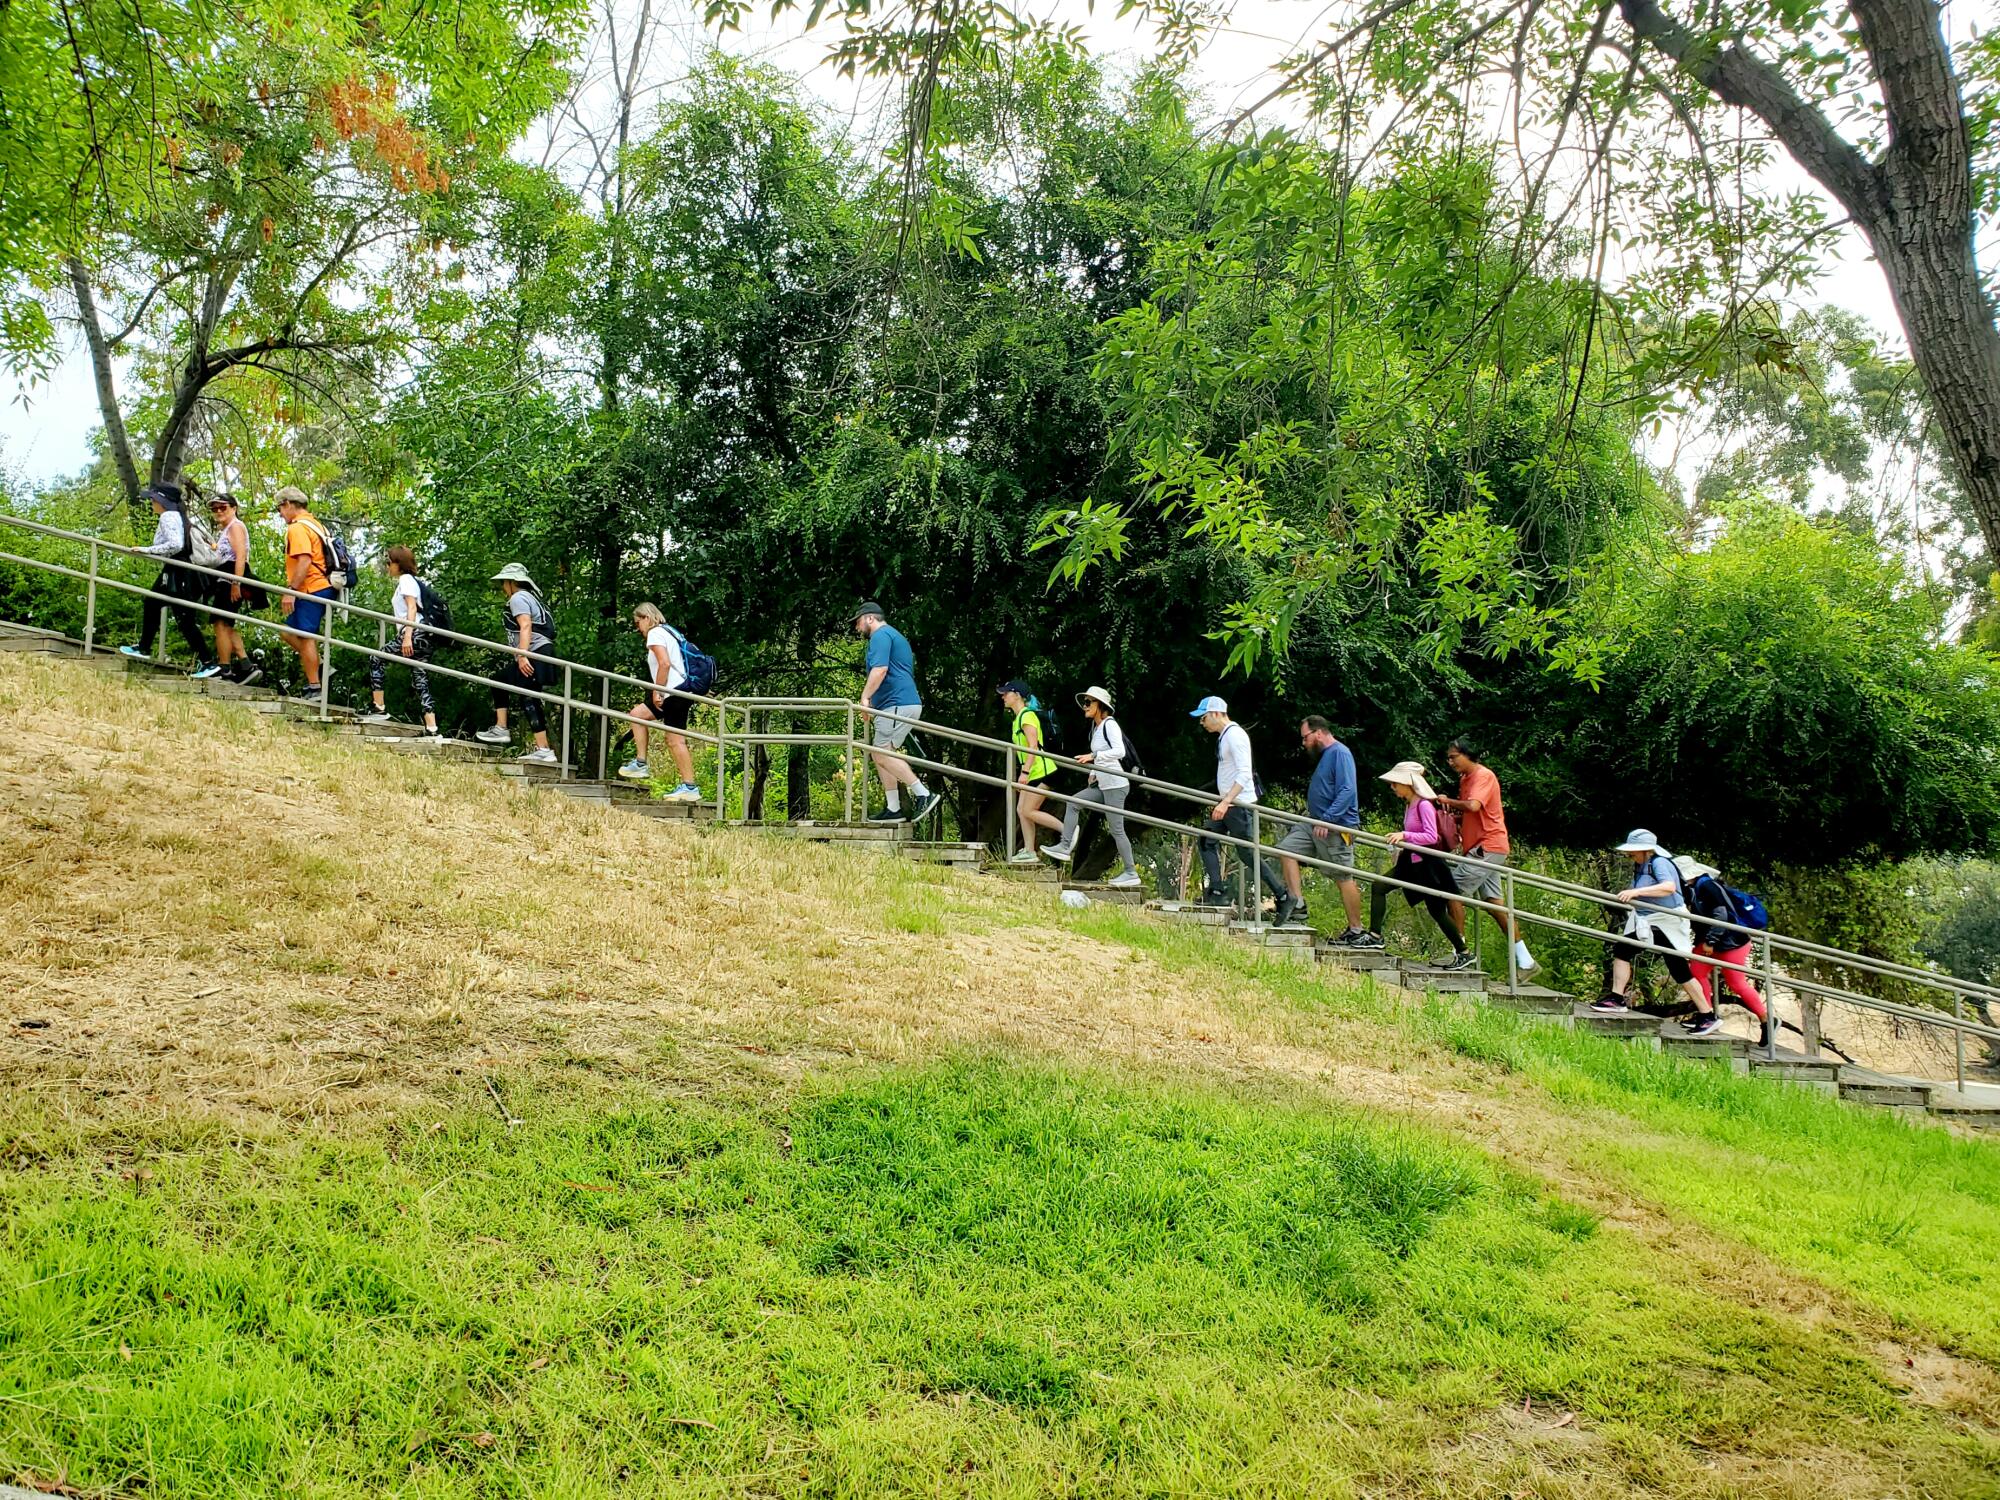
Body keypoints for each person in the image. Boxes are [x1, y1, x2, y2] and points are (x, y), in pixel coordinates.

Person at [1588, 830, 1718, 1034]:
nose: (1629, 855)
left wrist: (1636, 892)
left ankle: (1707, 1014)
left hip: (1666, 920)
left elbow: (1668, 887)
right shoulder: (1641, 865)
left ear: (1646, 850)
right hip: (1648, 918)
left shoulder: (1660, 863)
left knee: (1632, 952)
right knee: (1665, 964)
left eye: (1633, 852)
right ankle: (1706, 1014)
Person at [1435, 737, 1537, 975]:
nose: (1450, 762)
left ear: (1468, 754)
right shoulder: (1465, 779)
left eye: (1453, 757)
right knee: (1494, 905)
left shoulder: (1483, 776)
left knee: (1451, 890)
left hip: (1487, 847)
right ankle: (1526, 962)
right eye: (1448, 758)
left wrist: (1447, 801)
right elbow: (1471, 815)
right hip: (1483, 848)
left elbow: (1473, 806)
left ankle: (1460, 953)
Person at [1362, 762, 1473, 969]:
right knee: (1379, 887)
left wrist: (1404, 835)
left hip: (1427, 865)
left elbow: (1431, 836)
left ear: (1407, 783)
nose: (1393, 787)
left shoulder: (1424, 805)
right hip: (1411, 862)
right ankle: (1375, 935)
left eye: (1395, 783)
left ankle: (1464, 952)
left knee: (1437, 910)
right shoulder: (1410, 805)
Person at [1190, 696, 1290, 922]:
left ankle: (1283, 896)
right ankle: (1217, 890)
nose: (1202, 722)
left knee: (1248, 854)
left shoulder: (1235, 736)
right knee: (1206, 839)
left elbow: (1244, 774)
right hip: (1229, 803)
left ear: (1216, 714)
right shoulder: (1225, 736)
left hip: (1238, 805)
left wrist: (1226, 802)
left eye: (1204, 717)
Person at [1038, 686, 1140, 889]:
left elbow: (1118, 751)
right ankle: (1065, 846)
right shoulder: (1096, 727)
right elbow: (1103, 756)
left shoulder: (1110, 725)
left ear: (1100, 706)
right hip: (1102, 784)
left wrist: (1093, 757)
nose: (1084, 707)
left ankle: (1131, 872)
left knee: (1116, 829)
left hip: (1115, 786)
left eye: (1088, 703)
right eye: (1084, 702)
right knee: (1073, 802)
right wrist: (1093, 772)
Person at [1276, 716, 1366, 939]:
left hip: (1335, 826)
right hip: (1314, 822)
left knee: (1343, 877)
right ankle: (1297, 905)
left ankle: (1357, 930)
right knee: (1286, 849)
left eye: (1305, 737)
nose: (1304, 743)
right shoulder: (1326, 756)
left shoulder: (1340, 753)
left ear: (1318, 733)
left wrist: (1328, 819)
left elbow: (1347, 791)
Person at [118, 482, 217, 677]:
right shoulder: (177, 516)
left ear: (161, 501)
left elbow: (175, 544)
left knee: (183, 619)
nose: (151, 502)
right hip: (178, 570)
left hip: (180, 571)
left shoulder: (168, 517)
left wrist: (148, 550)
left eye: (153, 499)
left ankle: (208, 662)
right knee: (153, 603)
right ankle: (144, 647)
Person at [852, 603, 938, 825]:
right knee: (881, 753)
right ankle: (893, 808)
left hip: (896, 703)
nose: (857, 627)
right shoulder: (892, 635)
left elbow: (880, 670)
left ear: (870, 618)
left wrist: (865, 698)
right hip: (896, 704)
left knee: (880, 753)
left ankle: (923, 794)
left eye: (858, 621)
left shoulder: (880, 636)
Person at [1678, 854, 1773, 1046]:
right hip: (1713, 941)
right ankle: (1705, 1014)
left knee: (1737, 984)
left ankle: (1767, 1022)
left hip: (1731, 943)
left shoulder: (1707, 887)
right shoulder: (1696, 887)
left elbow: (1720, 916)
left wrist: (1711, 942)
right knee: (1695, 974)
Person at [473, 563, 559, 764]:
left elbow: (525, 625)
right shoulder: (532, 598)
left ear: (512, 582)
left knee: (527, 697)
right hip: (541, 652)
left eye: (504, 582)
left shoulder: (518, 598)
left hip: (534, 653)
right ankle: (504, 729)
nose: (503, 587)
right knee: (502, 682)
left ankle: (542, 749)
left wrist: (522, 655)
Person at [616, 602, 702, 801]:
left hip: (672, 693)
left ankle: (689, 786)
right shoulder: (669, 632)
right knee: (637, 715)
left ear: (647, 618)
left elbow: (664, 663)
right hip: (677, 691)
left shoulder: (655, 633)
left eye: (638, 623)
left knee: (675, 740)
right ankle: (640, 763)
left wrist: (658, 691)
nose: (638, 628)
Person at [360, 547, 439, 739]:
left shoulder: (405, 580)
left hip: (414, 632)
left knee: (377, 658)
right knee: (420, 678)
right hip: (424, 635)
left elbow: (411, 608)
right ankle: (432, 727)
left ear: (398, 564)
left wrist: (407, 636)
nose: (388, 566)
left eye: (389, 562)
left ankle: (379, 709)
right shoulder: (410, 581)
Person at [273, 486, 338, 698]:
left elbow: (304, 560)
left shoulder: (298, 528)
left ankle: (315, 686)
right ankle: (320, 668)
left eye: (280, 509)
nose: (280, 514)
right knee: (287, 632)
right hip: (321, 586)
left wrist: (291, 590)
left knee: (306, 636)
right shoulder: (316, 524)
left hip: (310, 588)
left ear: (288, 505)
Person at [1000, 680, 1062, 861]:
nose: (1003, 697)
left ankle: (1067, 831)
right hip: (1034, 771)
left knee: (1028, 810)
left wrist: (1024, 773)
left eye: (1006, 693)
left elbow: (1033, 747)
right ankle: (1029, 850)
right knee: (1021, 809)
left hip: (1042, 771)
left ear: (1017, 695)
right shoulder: (1018, 718)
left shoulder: (1027, 716)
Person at [204, 492, 261, 684]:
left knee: (220, 623)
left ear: (234, 508)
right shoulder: (226, 529)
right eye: (215, 509)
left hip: (230, 577)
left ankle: (224, 668)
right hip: (224, 576)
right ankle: (246, 665)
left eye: (223, 507)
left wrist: (236, 583)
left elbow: (241, 555)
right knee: (225, 624)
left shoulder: (236, 527)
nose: (218, 511)